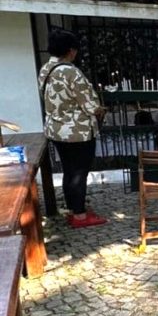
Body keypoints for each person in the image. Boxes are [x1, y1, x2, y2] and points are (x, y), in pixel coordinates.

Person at [37, 30, 108, 228]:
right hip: (77, 132)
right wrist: (100, 109)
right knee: (79, 173)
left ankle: (73, 208)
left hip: (56, 130)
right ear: (71, 51)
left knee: (69, 171)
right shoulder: (70, 71)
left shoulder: (46, 69)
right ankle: (80, 215)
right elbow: (89, 105)